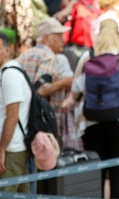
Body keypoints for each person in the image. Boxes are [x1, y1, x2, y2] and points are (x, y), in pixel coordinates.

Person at [62, 19, 119, 198]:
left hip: (91, 122)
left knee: (95, 172)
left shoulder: (88, 57)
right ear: (117, 35)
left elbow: (76, 89)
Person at [16, 18, 80, 150]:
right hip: (41, 126)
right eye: (58, 36)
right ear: (46, 38)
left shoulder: (23, 57)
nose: (63, 40)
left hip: (21, 120)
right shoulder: (49, 57)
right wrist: (65, 82)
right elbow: (42, 90)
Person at [0, 32, 32, 194]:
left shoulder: (9, 74)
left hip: (12, 149)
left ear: (8, 49)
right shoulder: (10, 71)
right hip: (15, 148)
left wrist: (2, 149)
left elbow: (12, 116)